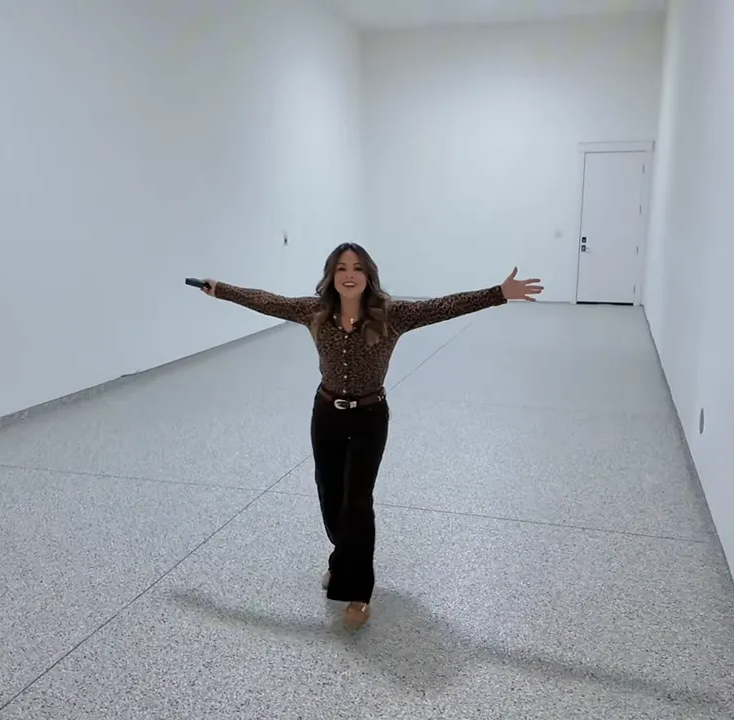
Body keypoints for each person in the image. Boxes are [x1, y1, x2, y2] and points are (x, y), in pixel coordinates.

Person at [198, 242, 542, 630]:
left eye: (358, 268)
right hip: (326, 414)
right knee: (330, 496)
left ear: (369, 275)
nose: (349, 275)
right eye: (341, 267)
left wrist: (498, 294)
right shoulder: (314, 312)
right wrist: (221, 289)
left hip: (369, 417)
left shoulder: (391, 315)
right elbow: (266, 300)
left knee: (357, 502)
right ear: (331, 275)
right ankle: (340, 558)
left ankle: (359, 593)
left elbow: (444, 306)